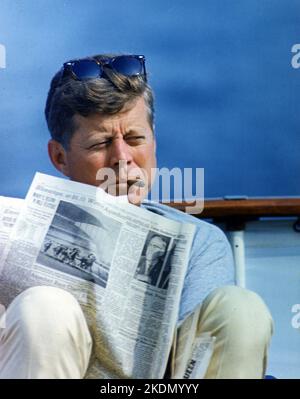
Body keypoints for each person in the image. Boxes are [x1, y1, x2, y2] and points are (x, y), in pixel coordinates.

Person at [0, 54, 273, 379]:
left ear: (153, 140)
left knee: (240, 309)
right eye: (101, 143)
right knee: (43, 308)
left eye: (135, 139)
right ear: (60, 157)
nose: (123, 158)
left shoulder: (200, 243)